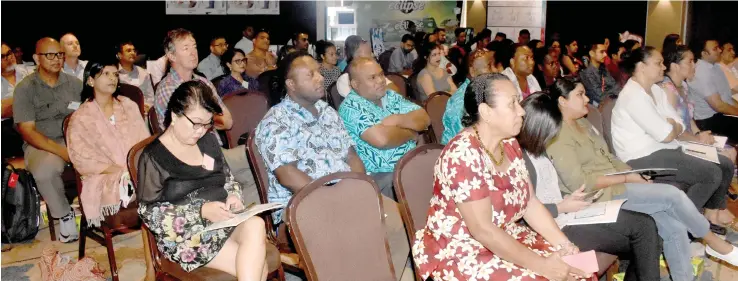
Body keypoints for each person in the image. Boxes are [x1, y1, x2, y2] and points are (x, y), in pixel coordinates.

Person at [524, 79, 738, 280]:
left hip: (618, 182)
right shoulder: (557, 135)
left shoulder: (584, 123)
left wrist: (635, 176)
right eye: (580, 94)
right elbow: (579, 183)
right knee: (673, 195)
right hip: (600, 193)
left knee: (674, 226)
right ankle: (713, 242)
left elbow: (609, 157)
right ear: (562, 101)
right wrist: (627, 177)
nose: (587, 99)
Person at [413, 73, 590, 281]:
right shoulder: (463, 155)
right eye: (512, 104)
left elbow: (530, 204)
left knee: (576, 270)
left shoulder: (509, 143)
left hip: (505, 235)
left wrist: (566, 247)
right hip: (463, 251)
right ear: (486, 112)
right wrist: (543, 266)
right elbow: (483, 230)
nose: (522, 110)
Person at [518, 92, 661, 281]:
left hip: (567, 215)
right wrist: (562, 206)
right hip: (553, 227)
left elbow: (550, 188)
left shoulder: (538, 150)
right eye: (549, 132)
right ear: (537, 128)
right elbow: (522, 213)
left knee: (649, 234)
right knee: (644, 229)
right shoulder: (519, 158)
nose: (552, 137)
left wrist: (572, 199)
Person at [137, 80, 268, 279]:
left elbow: (227, 178)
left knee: (256, 225)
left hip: (224, 221)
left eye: (207, 124)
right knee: (258, 267)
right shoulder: (154, 157)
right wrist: (201, 212)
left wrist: (233, 195)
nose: (200, 131)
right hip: (187, 236)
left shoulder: (207, 141)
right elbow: (149, 213)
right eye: (196, 123)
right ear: (174, 115)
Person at [611, 47, 736, 234]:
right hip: (641, 156)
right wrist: (671, 127)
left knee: (724, 163)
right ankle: (678, 226)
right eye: (658, 63)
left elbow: (676, 122)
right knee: (710, 174)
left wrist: (672, 126)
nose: (663, 67)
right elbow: (667, 134)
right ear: (641, 67)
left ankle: (709, 214)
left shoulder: (655, 90)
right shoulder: (632, 95)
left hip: (666, 148)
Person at [254, 51, 365, 225]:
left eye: (319, 72)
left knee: (391, 216)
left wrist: (359, 189)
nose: (320, 78)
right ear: (291, 84)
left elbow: (351, 156)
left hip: (345, 192)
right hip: (300, 204)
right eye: (310, 75)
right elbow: (288, 176)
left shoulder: (328, 111)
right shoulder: (275, 120)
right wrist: (333, 200)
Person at [14, 38, 83, 242]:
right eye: (49, 55)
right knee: (44, 171)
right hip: (41, 143)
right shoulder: (25, 89)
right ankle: (64, 214)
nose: (56, 59)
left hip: (75, 139)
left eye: (59, 54)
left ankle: (105, 211)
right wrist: (63, 152)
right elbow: (28, 131)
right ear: (36, 58)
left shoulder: (75, 84)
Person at [67, 59, 150, 227]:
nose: (113, 78)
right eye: (106, 74)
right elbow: (82, 159)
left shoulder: (129, 106)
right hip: (106, 177)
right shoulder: (81, 118)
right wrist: (122, 171)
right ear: (91, 80)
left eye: (115, 74)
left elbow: (144, 142)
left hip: (135, 170)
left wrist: (134, 169)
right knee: (140, 184)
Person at [339, 58, 430, 199]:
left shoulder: (390, 95)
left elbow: (424, 118)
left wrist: (398, 119)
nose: (381, 80)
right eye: (372, 78)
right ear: (356, 84)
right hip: (383, 177)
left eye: (381, 74)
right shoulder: (351, 107)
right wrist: (411, 133)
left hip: (411, 163)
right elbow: (382, 140)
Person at [659, 45, 737, 165]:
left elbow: (689, 120)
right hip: (677, 144)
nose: (694, 65)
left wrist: (698, 133)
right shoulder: (667, 89)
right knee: (726, 155)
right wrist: (698, 140)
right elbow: (674, 132)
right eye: (690, 61)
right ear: (675, 66)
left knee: (731, 150)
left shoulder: (683, 86)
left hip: (689, 139)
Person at [441, 48, 496, 144]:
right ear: (472, 71)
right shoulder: (460, 102)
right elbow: (462, 141)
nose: (495, 70)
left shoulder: (487, 92)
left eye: (494, 65)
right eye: (489, 66)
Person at [688, 39, 738, 143]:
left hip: (720, 116)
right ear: (704, 54)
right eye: (715, 49)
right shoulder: (701, 72)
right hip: (707, 123)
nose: (720, 50)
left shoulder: (716, 67)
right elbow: (718, 106)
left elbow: (727, 98)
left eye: (719, 47)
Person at [1, 42, 31, 158]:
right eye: (2, 57)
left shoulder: (29, 72)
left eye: (9, 53)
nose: (9, 58)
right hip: (8, 128)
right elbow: (2, 111)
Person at [580, 43, 621, 107]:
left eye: (605, 52)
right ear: (591, 53)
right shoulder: (586, 73)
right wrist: (613, 92)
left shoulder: (603, 69)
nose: (605, 55)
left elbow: (615, 85)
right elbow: (600, 96)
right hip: (598, 108)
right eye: (602, 52)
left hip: (610, 103)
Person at [116, 41, 155, 109]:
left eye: (134, 50)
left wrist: (146, 106)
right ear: (119, 55)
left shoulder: (143, 73)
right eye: (129, 51)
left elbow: (150, 97)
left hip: (142, 111)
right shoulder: (113, 73)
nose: (133, 53)